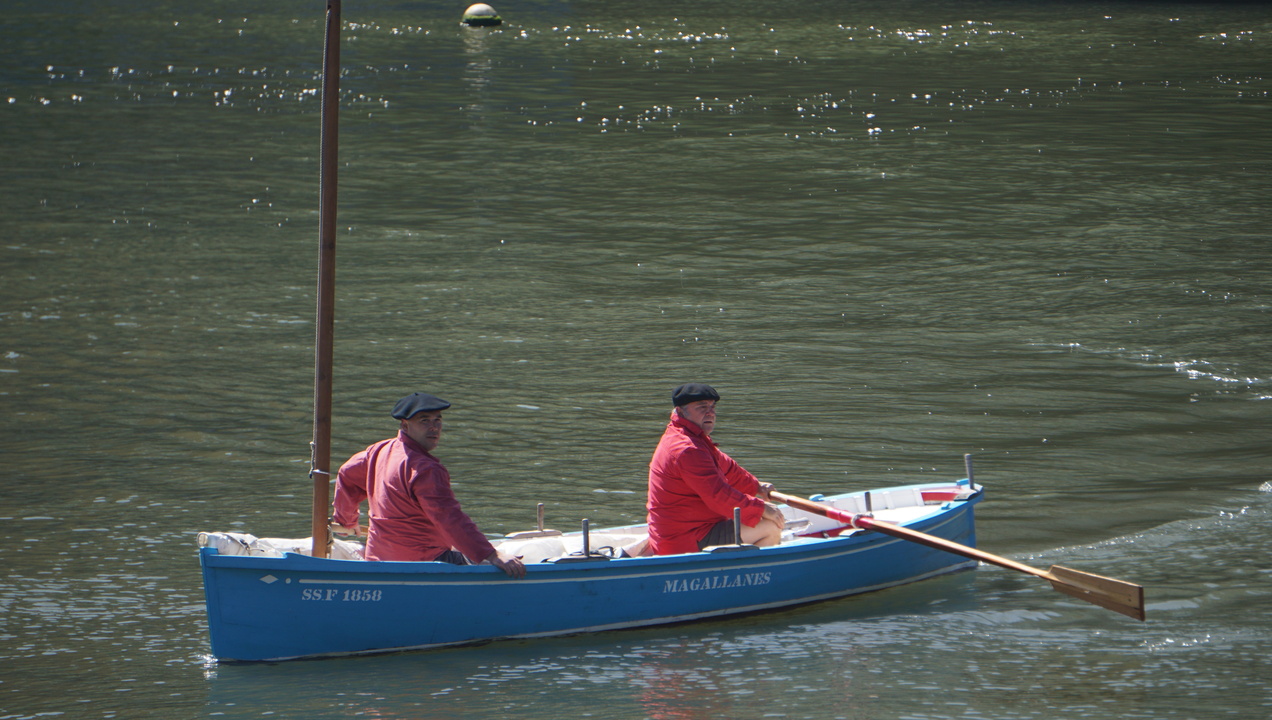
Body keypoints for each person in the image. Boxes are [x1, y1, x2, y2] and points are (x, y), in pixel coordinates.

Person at [331, 391, 526, 578]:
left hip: (378, 558)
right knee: (496, 564)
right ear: (405, 425)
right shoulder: (426, 469)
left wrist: (346, 521)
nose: (434, 427)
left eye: (437, 420)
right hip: (423, 561)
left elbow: (346, 474)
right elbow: (449, 518)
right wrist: (492, 555)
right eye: (424, 420)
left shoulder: (378, 451)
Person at [646, 383, 785, 555]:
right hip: (686, 539)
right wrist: (761, 508)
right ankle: (747, 571)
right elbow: (718, 496)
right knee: (770, 526)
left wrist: (757, 487)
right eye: (702, 407)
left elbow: (729, 469)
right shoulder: (687, 449)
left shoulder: (689, 437)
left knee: (761, 518)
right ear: (681, 411)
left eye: (712, 407)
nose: (710, 412)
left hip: (684, 532)